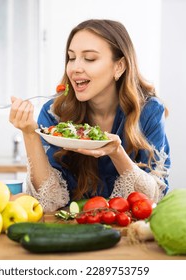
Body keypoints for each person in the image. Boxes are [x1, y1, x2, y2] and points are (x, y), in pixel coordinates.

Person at [9, 19, 170, 212]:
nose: (75, 68)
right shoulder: (54, 113)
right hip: (69, 229)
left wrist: (116, 152)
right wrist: (29, 133)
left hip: (127, 229)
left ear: (119, 66)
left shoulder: (148, 112)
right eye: (71, 57)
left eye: (90, 59)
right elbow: (50, 202)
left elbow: (152, 199)